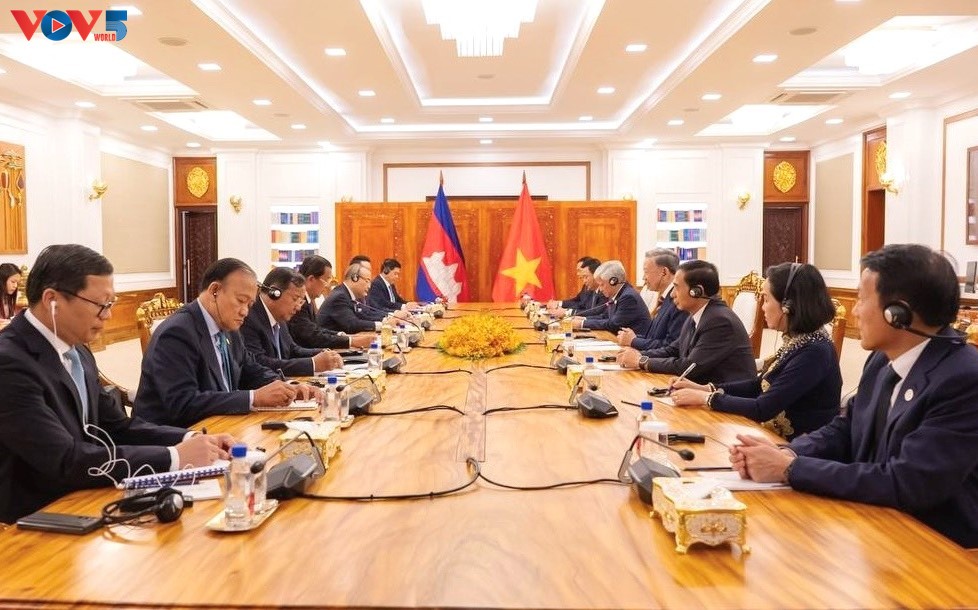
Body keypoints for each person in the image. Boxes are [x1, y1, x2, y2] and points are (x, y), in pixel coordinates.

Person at [731, 244, 978, 548]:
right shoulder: (881, 359)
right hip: (874, 525)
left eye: (862, 299)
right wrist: (788, 453)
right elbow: (847, 427)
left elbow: (908, 482)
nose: (854, 311)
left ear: (897, 313)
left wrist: (789, 469)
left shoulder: (963, 378)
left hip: (938, 547)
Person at [0, 244, 234, 524]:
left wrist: (189, 439)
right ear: (52, 300)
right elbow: (63, 459)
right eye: (101, 305)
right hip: (31, 520)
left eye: (111, 304)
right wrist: (173, 457)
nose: (108, 315)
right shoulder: (10, 362)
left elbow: (117, 426)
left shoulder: (78, 350)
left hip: (85, 497)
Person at [134, 258, 320, 428]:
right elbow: (183, 403)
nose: (245, 312)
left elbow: (251, 369)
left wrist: (287, 387)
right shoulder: (178, 332)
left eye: (249, 305)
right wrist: (253, 398)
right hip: (176, 437)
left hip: (221, 426)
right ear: (214, 290)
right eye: (241, 301)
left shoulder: (230, 328)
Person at [670, 262, 842, 439]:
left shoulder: (814, 352)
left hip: (795, 448)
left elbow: (763, 408)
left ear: (787, 305)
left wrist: (705, 398)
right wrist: (705, 388)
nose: (763, 307)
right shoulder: (798, 340)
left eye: (766, 299)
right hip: (773, 438)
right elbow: (758, 384)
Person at [617, 259, 756, 384]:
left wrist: (642, 361)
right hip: (699, 390)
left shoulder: (719, 321)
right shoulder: (696, 314)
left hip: (726, 397)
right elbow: (673, 350)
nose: (672, 294)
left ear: (696, 291)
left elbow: (689, 366)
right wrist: (637, 355)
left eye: (676, 287)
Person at [240, 267, 343, 376]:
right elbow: (259, 362)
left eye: (300, 301)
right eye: (295, 299)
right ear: (274, 293)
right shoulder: (248, 318)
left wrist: (322, 352)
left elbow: (292, 349)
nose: (298, 308)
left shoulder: (280, 316)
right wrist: (312, 363)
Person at [288, 255, 373, 350]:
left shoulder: (309, 300)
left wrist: (345, 336)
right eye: (326, 280)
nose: (328, 285)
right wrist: (351, 341)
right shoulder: (299, 303)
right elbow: (311, 336)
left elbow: (317, 329)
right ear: (311, 279)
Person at [617, 249, 688, 351]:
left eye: (646, 272)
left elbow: (671, 346)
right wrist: (633, 338)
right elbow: (655, 337)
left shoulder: (679, 301)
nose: (643, 277)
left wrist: (634, 341)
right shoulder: (664, 298)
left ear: (664, 272)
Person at [571, 260, 651, 335]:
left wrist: (582, 324)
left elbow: (613, 324)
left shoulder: (628, 297)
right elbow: (605, 316)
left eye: (602, 285)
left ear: (613, 281)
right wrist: (583, 319)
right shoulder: (618, 293)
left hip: (636, 341)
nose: (600, 289)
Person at [318, 262, 387, 334]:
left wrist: (385, 320)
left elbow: (361, 317)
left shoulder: (346, 294)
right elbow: (352, 325)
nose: (369, 286)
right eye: (367, 281)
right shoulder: (340, 296)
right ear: (355, 278)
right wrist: (383, 325)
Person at [1, 262, 22, 328]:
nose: (15, 286)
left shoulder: (7, 298)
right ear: (2, 280)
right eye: (13, 282)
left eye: (17, 283)